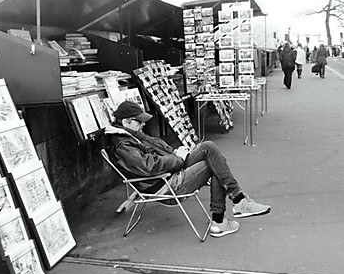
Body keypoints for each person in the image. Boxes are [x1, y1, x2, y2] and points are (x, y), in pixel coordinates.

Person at [105, 101, 271, 238]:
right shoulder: (122, 143)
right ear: (126, 122)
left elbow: (155, 155)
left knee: (208, 148)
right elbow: (149, 166)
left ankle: (235, 204)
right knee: (213, 163)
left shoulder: (131, 135)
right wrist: (179, 159)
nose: (143, 124)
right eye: (139, 121)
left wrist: (176, 153)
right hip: (166, 186)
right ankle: (225, 214)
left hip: (169, 175)